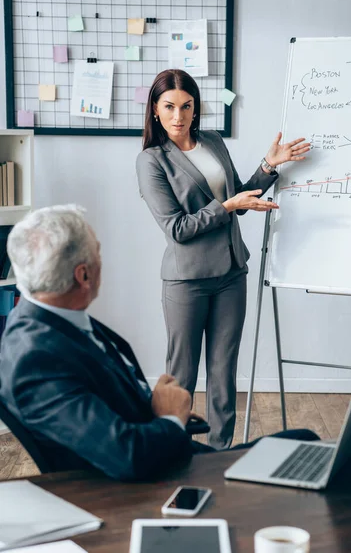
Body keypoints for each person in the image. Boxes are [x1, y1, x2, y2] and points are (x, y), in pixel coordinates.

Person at [0, 205, 317, 481]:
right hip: (155, 481)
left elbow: (99, 405)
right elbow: (127, 456)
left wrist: (155, 408)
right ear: (83, 275)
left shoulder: (56, 316)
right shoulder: (35, 359)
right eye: (98, 251)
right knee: (303, 446)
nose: (102, 259)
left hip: (165, 450)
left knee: (303, 443)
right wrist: (170, 418)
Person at [136, 69, 310, 449]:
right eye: (169, 107)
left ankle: (219, 453)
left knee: (223, 371)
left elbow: (241, 200)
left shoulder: (212, 142)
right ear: (155, 110)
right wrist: (228, 205)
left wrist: (269, 165)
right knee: (181, 375)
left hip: (232, 272)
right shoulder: (152, 161)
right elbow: (178, 228)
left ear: (196, 109)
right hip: (187, 281)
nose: (178, 116)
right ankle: (171, 451)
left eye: (186, 106)